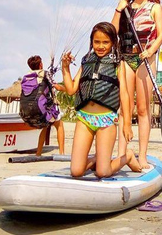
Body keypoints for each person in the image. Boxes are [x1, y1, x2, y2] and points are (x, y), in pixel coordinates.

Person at [60, 22, 141, 177]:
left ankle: (127, 156)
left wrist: (127, 124)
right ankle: (98, 158)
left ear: (113, 43)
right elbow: (71, 89)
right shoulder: (86, 62)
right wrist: (65, 67)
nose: (101, 46)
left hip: (106, 120)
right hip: (84, 119)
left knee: (102, 172)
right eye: (97, 42)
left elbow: (124, 94)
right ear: (92, 42)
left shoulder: (118, 63)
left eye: (106, 42)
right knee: (76, 171)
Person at [112, 0, 162, 169]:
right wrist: (118, 9)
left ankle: (142, 155)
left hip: (145, 59)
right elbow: (113, 31)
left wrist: (150, 51)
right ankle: (120, 153)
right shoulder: (125, 7)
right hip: (125, 57)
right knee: (125, 108)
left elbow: (160, 35)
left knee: (143, 108)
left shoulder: (155, 7)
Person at [22, 55, 66, 157]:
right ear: (41, 64)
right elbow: (56, 86)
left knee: (45, 127)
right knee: (59, 125)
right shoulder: (45, 74)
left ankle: (38, 153)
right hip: (43, 110)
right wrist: (66, 88)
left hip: (28, 111)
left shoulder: (26, 77)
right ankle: (62, 153)